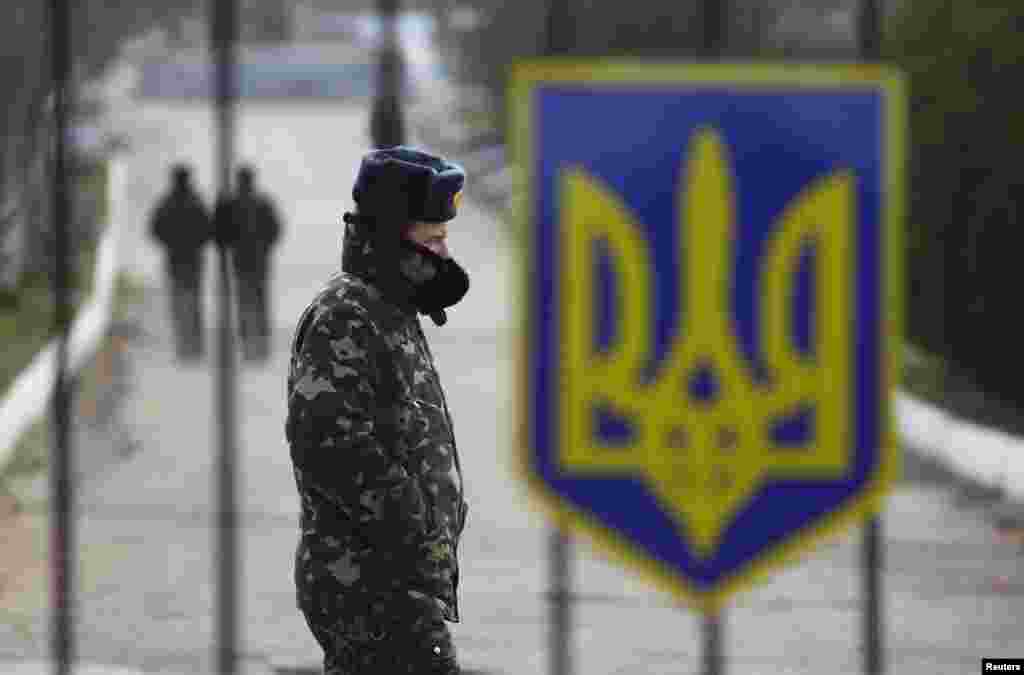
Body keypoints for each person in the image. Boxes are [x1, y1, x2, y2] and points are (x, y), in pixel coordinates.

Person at [285, 147, 471, 674]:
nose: (444, 253)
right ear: (392, 240)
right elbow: (331, 445)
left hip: (397, 580)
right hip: (370, 584)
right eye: (431, 241)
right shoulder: (346, 315)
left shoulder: (391, 309)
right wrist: (416, 528)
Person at [148, 164, 212, 361]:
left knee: (179, 303)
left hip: (177, 259)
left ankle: (185, 347)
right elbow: (208, 229)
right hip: (191, 260)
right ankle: (194, 347)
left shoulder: (168, 203)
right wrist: (196, 243)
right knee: (192, 303)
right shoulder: (195, 201)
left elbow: (155, 228)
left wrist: (170, 242)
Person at [227, 165, 283, 362]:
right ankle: (260, 347)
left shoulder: (234, 204)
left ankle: (250, 347)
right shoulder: (261, 203)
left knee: (245, 305)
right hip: (257, 262)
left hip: (244, 262)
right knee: (258, 305)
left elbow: (224, 232)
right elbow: (275, 229)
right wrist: (264, 245)